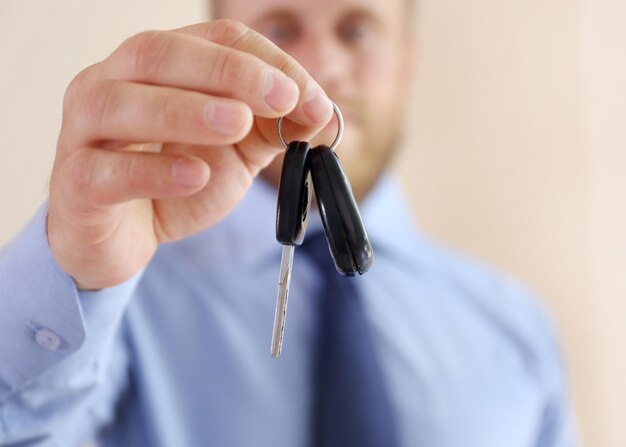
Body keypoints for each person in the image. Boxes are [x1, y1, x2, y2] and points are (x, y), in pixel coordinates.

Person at [0, 0, 580, 445]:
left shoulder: (515, 332)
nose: (321, 67)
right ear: (219, 41)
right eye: (279, 29)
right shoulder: (106, 307)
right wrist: (76, 269)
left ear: (406, 65)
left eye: (356, 29)